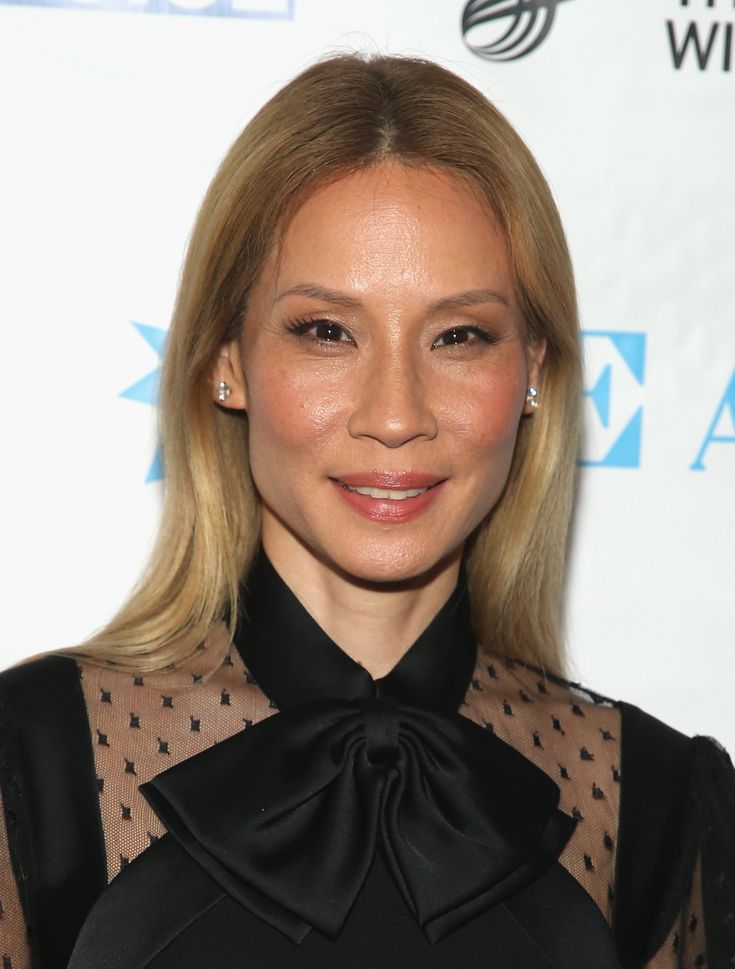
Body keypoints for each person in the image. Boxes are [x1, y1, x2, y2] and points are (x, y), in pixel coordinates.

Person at [0, 52, 733, 969]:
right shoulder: (40, 764)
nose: (395, 415)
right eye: (326, 332)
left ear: (535, 371)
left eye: (459, 336)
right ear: (225, 355)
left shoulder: (652, 803)